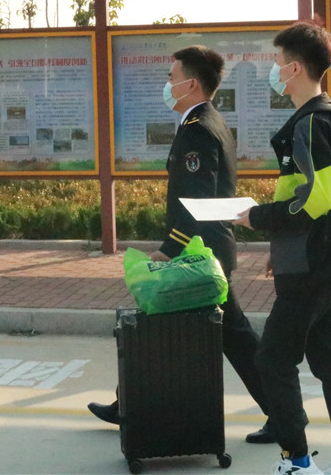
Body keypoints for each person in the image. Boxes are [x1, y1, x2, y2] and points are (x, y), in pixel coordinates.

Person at [87, 45, 274, 444]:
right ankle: (127, 405)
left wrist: (170, 249)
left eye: (171, 78)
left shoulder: (198, 130)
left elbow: (197, 201)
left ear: (190, 84)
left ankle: (285, 414)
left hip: (198, 254)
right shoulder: (209, 122)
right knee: (222, 333)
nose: (167, 84)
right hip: (207, 250)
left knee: (179, 327)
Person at [234, 22, 331, 474]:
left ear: (295, 68)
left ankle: (297, 462)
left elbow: (314, 202)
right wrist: (277, 237)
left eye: (277, 63)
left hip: (311, 262)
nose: (274, 71)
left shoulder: (313, 126)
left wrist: (257, 216)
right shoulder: (330, 119)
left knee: (273, 360)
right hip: (324, 257)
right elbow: (311, 197)